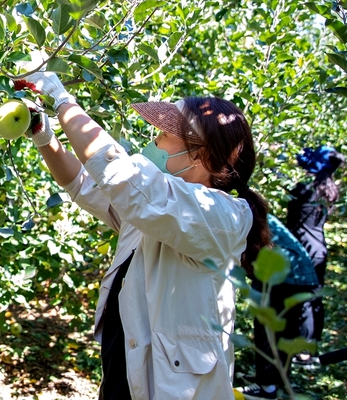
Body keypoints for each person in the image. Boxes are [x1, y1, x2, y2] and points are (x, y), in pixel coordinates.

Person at [14, 72, 270, 400]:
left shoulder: (222, 216)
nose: (155, 143)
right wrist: (44, 137)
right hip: (127, 377)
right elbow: (85, 184)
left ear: (201, 155)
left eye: (164, 134)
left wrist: (63, 99)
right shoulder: (155, 209)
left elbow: (124, 178)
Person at [237, 214, 320, 399]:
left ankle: (267, 387)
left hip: (284, 274)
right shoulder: (257, 213)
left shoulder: (243, 213)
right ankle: (274, 381)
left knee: (266, 329)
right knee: (283, 331)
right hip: (302, 274)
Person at [285, 145, 344, 365]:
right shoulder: (325, 189)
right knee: (312, 298)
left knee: (303, 300)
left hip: (304, 251)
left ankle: (303, 351)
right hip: (318, 248)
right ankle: (306, 348)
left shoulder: (306, 189)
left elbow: (286, 184)